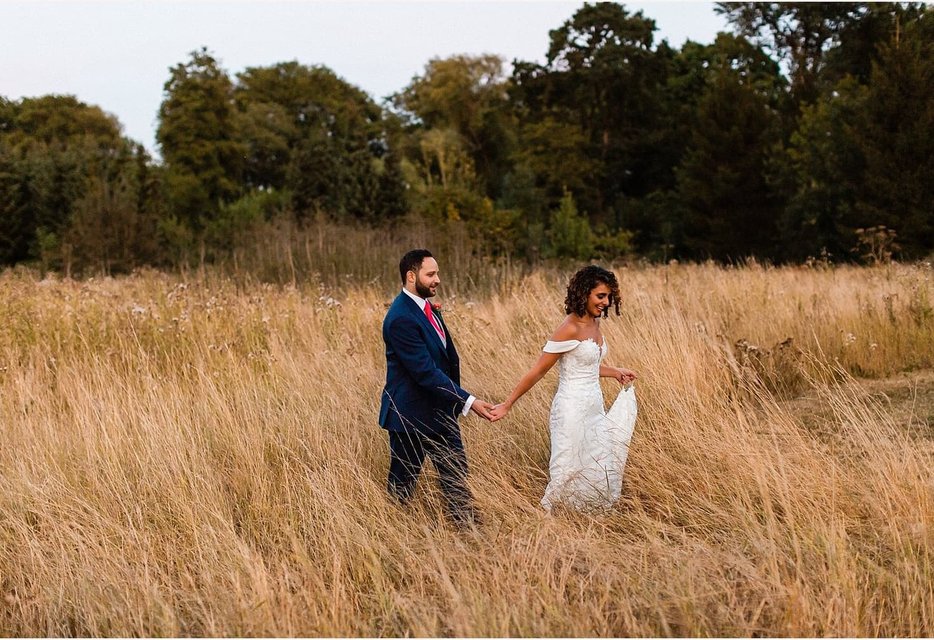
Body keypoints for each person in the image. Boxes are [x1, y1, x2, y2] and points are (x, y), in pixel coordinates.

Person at [490, 265, 638, 511]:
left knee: (597, 462)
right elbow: (538, 370)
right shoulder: (569, 327)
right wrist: (508, 404)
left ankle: (587, 514)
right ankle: (551, 519)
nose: (606, 302)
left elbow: (586, 366)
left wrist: (615, 372)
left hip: (594, 408)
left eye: (609, 296)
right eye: (600, 296)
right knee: (568, 466)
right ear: (584, 294)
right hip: (570, 409)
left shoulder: (595, 322)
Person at [378, 249, 494, 527]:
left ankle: (470, 538)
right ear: (410, 276)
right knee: (401, 489)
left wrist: (454, 404)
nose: (437, 279)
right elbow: (425, 373)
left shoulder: (426, 308)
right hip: (410, 417)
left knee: (456, 479)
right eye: (430, 274)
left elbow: (446, 360)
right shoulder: (400, 318)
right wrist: (469, 401)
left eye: (437, 273)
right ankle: (390, 535)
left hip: (441, 412)